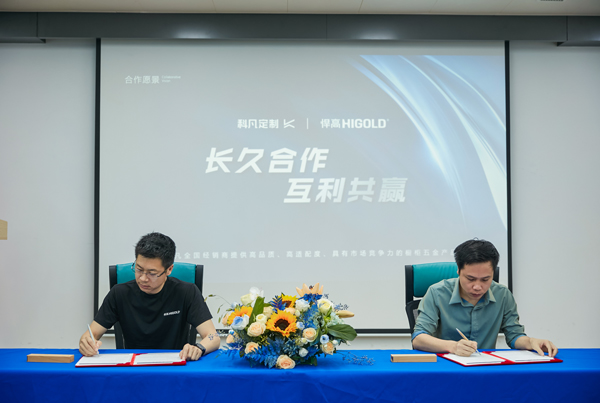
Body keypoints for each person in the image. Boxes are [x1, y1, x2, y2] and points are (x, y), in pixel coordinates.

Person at [79, 232, 220, 360]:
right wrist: (86, 343)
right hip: (134, 368)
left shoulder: (187, 292)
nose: (143, 278)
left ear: (169, 269)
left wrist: (199, 347)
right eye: (139, 269)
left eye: (152, 273)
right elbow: (90, 335)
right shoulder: (119, 293)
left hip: (174, 366)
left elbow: (213, 337)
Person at [412, 239, 558, 357]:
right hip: (446, 367)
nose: (477, 287)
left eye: (485, 279)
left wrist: (531, 342)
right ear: (458, 270)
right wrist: (454, 346)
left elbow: (514, 336)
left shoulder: (502, 295)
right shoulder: (437, 293)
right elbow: (418, 338)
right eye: (470, 279)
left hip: (486, 368)